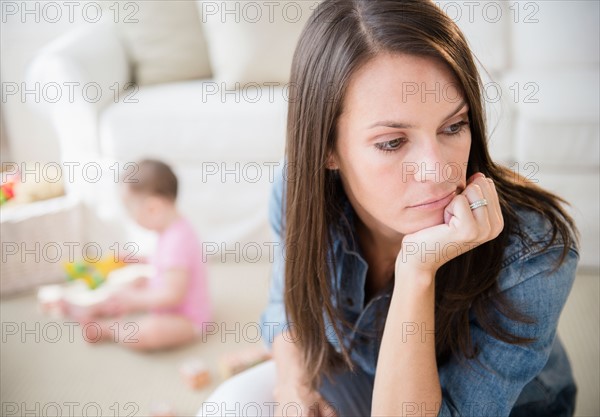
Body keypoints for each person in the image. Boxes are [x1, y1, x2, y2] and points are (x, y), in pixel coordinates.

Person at [198, 0, 580, 416]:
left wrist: (417, 271)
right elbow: (284, 307)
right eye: (392, 143)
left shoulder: (532, 253)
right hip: (365, 375)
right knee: (229, 405)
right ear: (326, 149)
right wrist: (293, 385)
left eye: (454, 126)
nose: (437, 171)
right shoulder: (301, 188)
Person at [84, 159, 212, 351]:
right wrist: (138, 260)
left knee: (149, 332)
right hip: (165, 296)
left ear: (153, 208)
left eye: (129, 208)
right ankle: (97, 307)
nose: (128, 215)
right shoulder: (170, 229)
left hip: (187, 318)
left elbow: (173, 295)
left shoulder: (178, 240)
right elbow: (164, 262)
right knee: (135, 283)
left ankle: (110, 328)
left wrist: (135, 300)